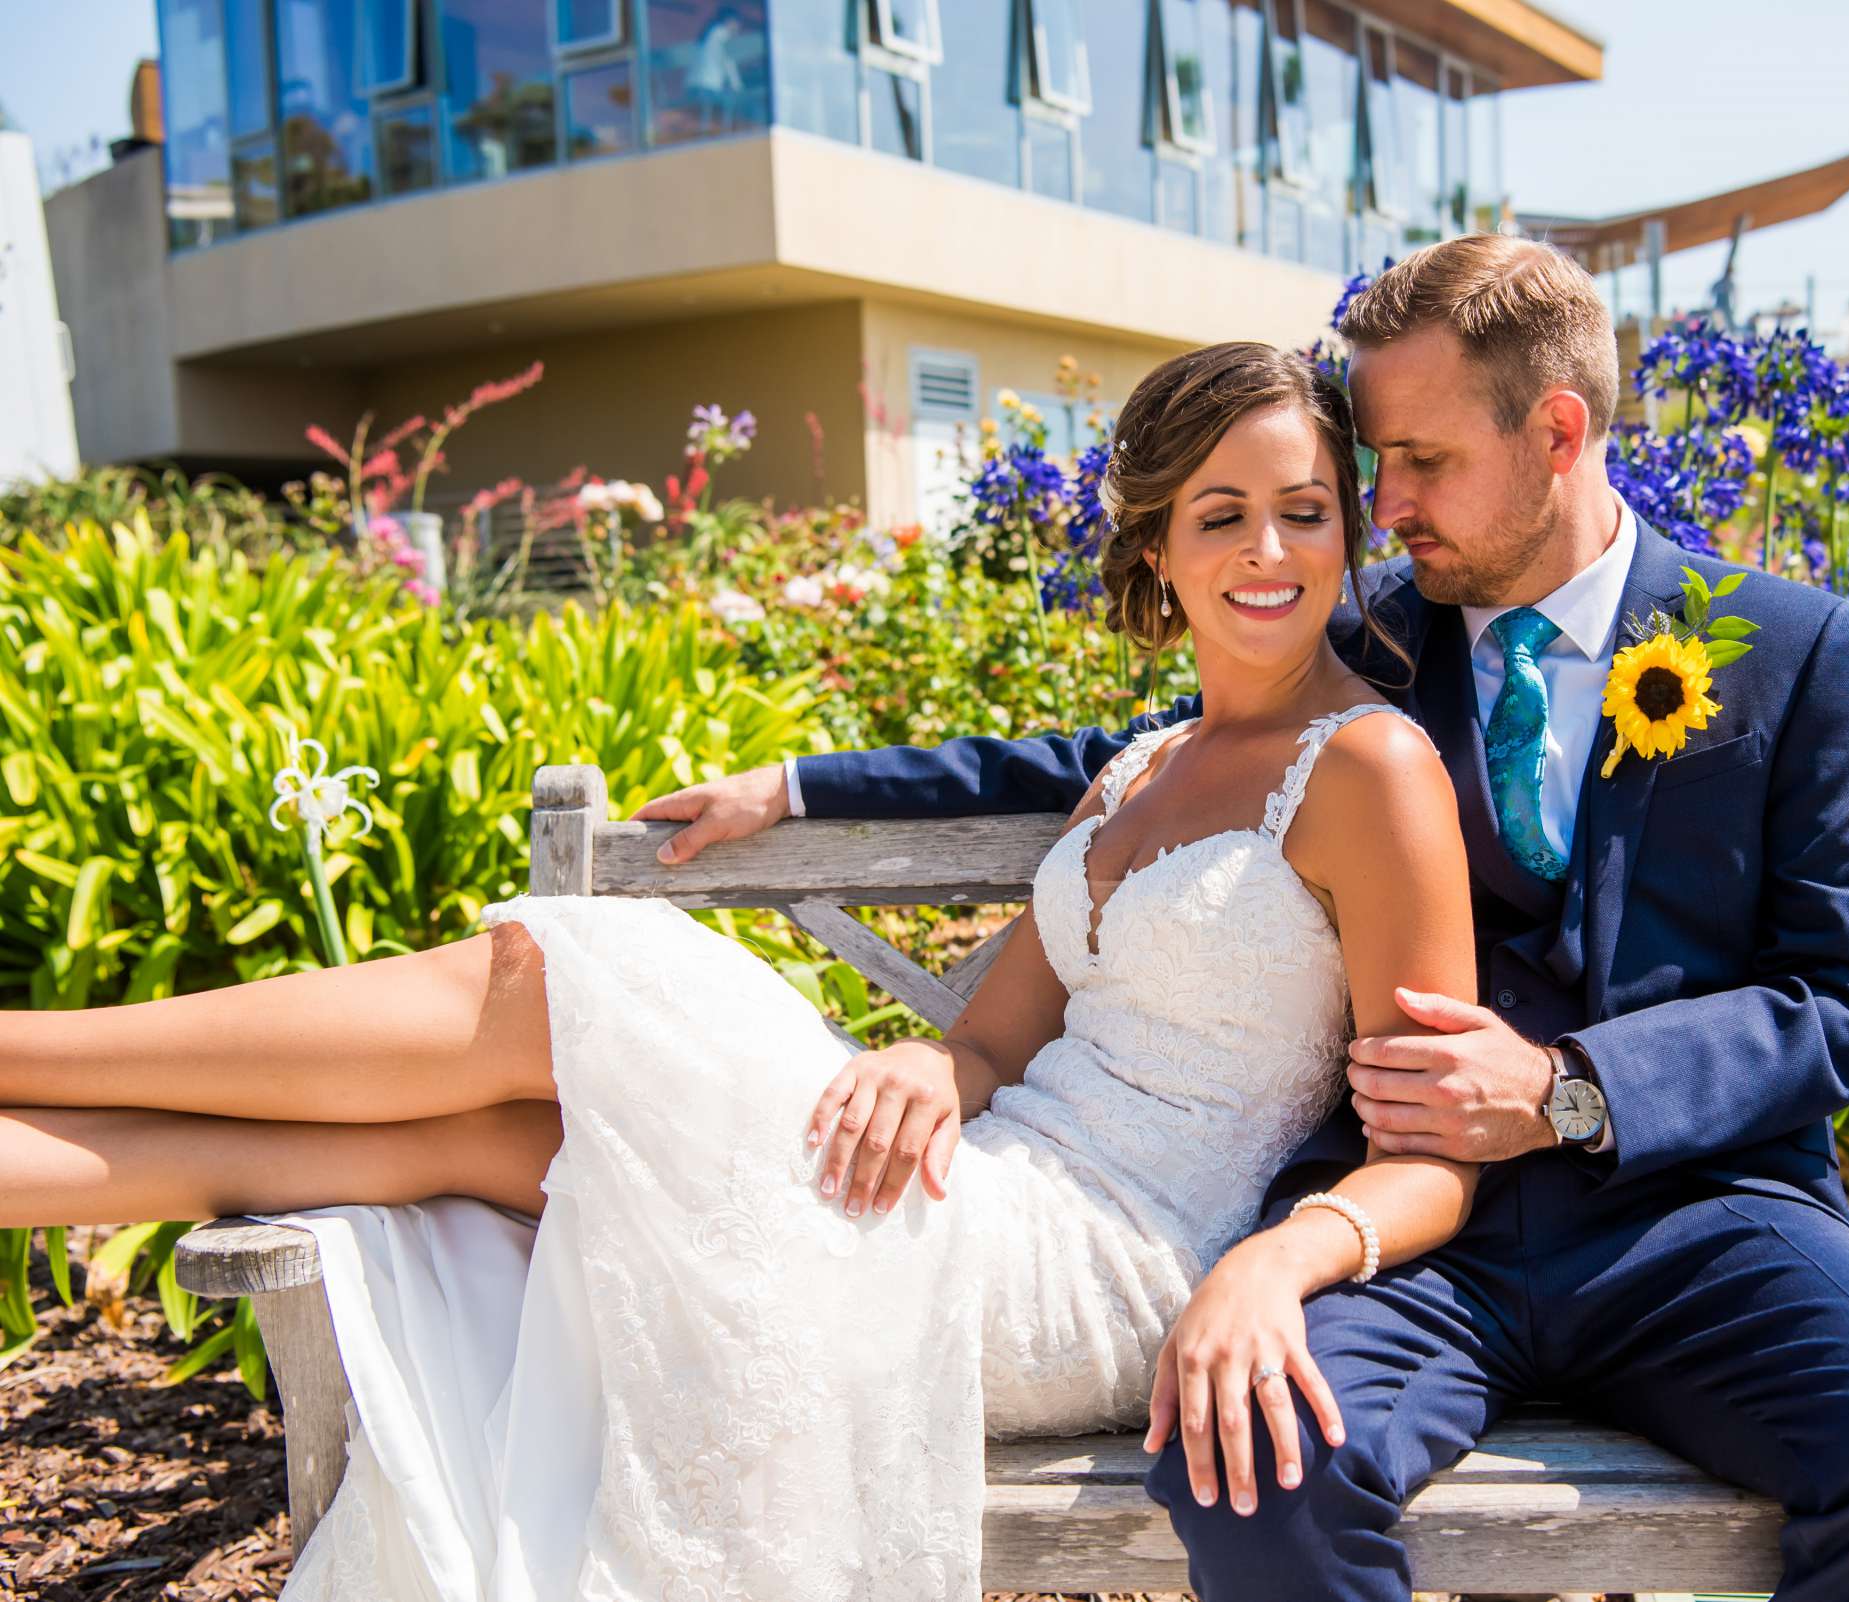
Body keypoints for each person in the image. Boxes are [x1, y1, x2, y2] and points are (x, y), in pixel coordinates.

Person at [658, 235, 1849, 1601]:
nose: (1384, 501)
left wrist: (1570, 1089)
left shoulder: (1795, 649)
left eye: (1422, 460)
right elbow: (1127, 748)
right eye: (1376, 462)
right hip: (1400, 1224)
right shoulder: (1372, 631)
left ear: (1556, 432)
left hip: (1696, 1217)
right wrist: (797, 781)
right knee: (1246, 1461)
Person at [0, 344, 1488, 1600]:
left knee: (549, 984)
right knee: (505, 1146)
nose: (1270, 550)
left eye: (1304, 510)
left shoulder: (1371, 767)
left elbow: (1439, 1151)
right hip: (976, 1171)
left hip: (1090, 1270)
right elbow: (993, 1039)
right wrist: (931, 1059)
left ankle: (24, 1040)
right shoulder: (1150, 759)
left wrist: (1286, 1258)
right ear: (1157, 544)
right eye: (1223, 513)